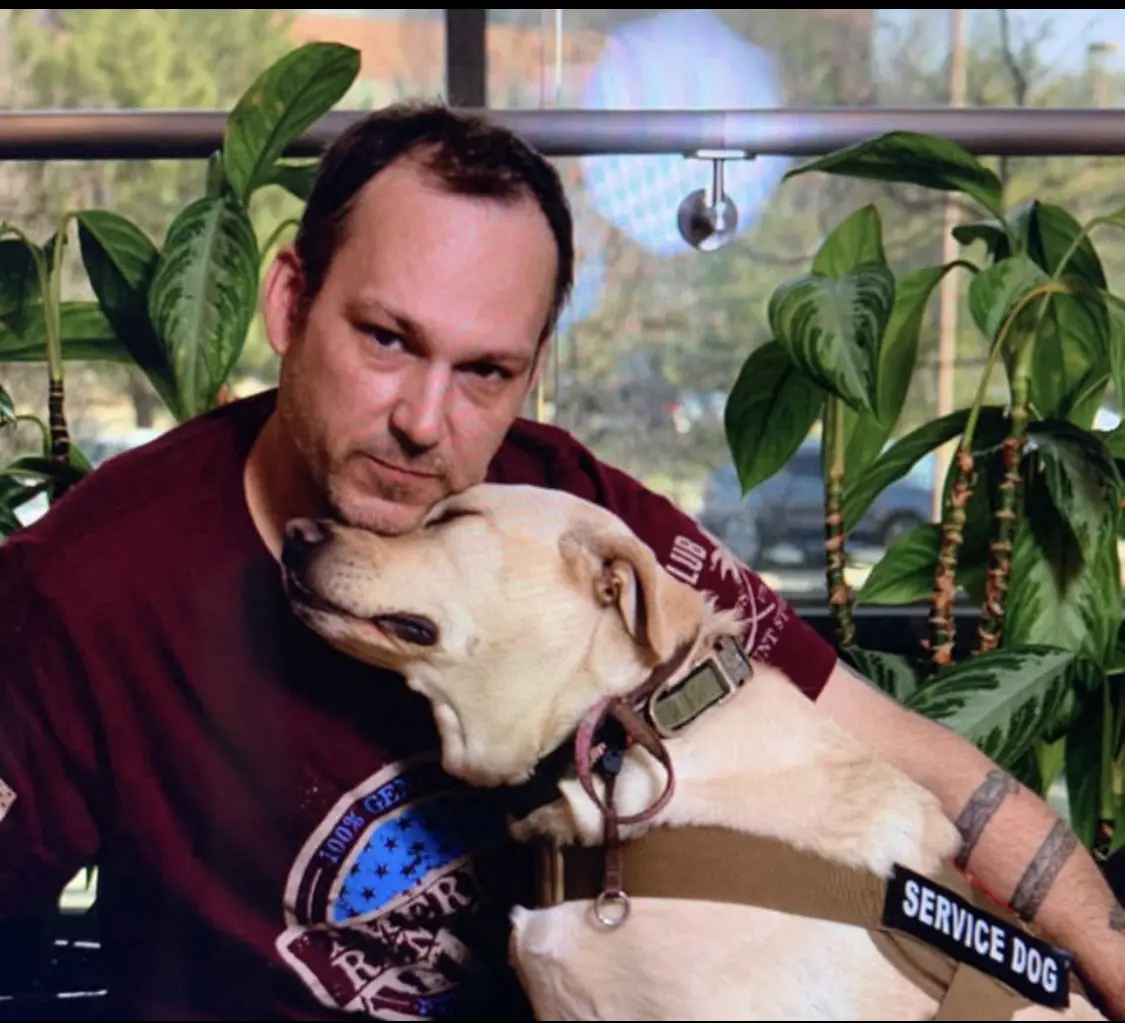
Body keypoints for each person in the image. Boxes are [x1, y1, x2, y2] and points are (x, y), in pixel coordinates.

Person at [0, 101, 1121, 1022]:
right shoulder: (87, 589)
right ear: (292, 302)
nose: (424, 421)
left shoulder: (575, 515)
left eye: (485, 370)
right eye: (387, 340)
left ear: (534, 368)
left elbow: (922, 766)